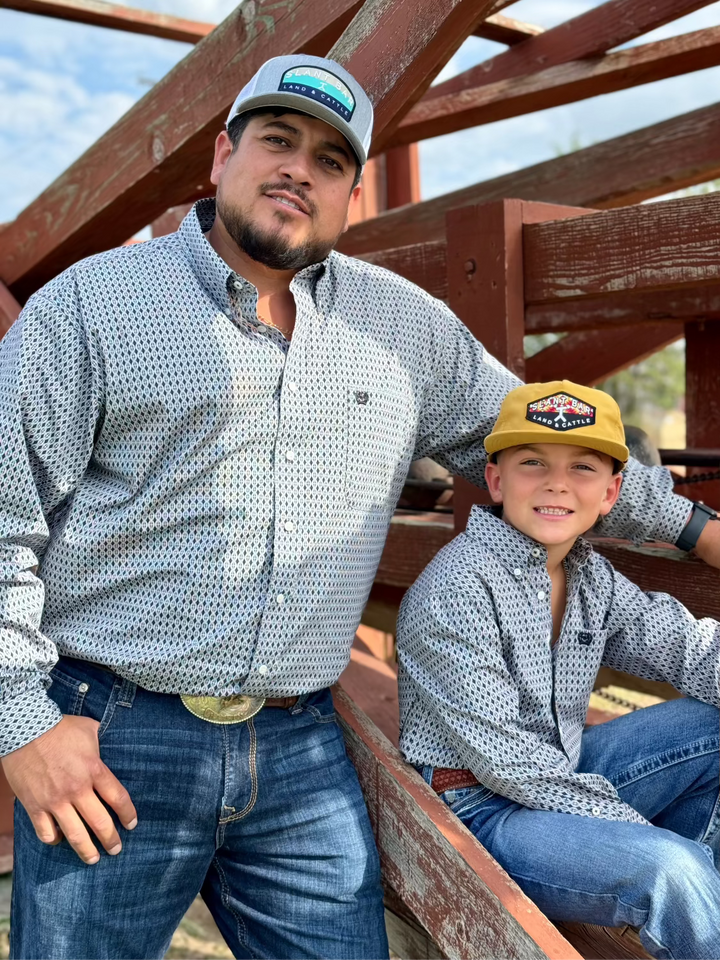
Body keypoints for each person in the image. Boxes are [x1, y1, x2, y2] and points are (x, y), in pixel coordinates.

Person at [0, 51, 718, 958]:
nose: (301, 168)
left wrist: (695, 527)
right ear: (222, 156)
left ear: (350, 195)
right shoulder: (93, 307)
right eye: (277, 140)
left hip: (300, 742)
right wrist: (20, 724)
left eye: (331, 161)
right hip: (115, 728)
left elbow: (552, 449)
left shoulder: (403, 328)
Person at [396, 381, 720, 960]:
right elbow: (513, 765)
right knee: (672, 866)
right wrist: (632, 831)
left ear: (611, 492)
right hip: (481, 812)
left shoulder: (588, 577)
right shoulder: (457, 590)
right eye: (532, 463)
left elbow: (685, 648)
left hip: (565, 772)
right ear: (496, 480)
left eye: (583, 468)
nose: (556, 483)